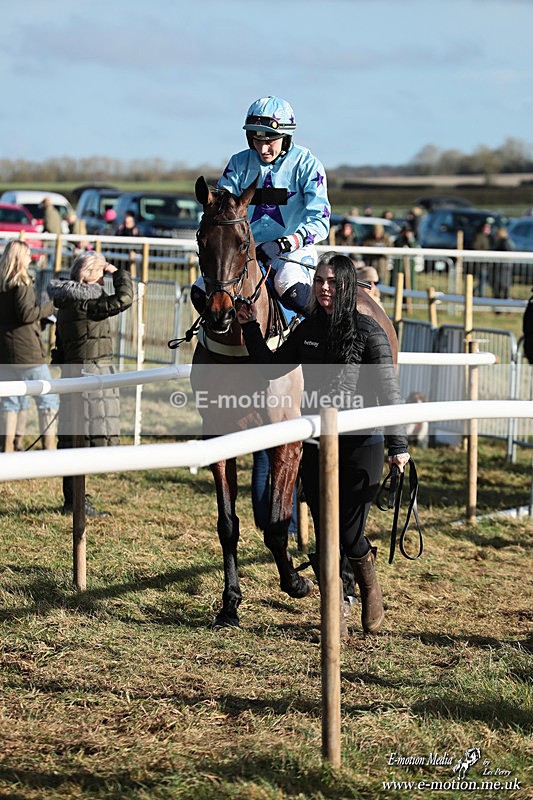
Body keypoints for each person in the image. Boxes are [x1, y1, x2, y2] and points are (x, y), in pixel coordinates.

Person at [236, 253, 409, 635]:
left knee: (349, 534)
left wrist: (398, 447)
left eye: (332, 282)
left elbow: (389, 393)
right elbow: (270, 366)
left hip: (363, 443)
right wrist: (250, 328)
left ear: (347, 286)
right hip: (316, 443)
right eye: (319, 281)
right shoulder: (306, 329)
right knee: (325, 531)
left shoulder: (369, 332)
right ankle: (337, 609)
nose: (324, 288)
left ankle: (368, 586)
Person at [192, 95, 331, 317]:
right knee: (200, 291)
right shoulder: (239, 163)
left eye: (270, 141)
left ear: (285, 137)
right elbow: (221, 211)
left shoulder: (308, 165)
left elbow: (320, 222)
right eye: (257, 140)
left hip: (292, 250)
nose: (263, 149)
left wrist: (284, 243)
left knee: (288, 285)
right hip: (245, 250)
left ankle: (321, 340)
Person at [47, 252, 133, 516]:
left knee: (73, 438)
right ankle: (77, 503)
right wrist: (117, 272)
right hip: (91, 375)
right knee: (84, 440)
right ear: (91, 275)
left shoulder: (65, 302)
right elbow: (125, 298)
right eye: (100, 274)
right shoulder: (87, 302)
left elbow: (60, 346)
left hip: (73, 374)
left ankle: (72, 499)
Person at [0, 240, 59, 452]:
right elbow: (26, 314)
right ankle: (49, 451)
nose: (30, 257)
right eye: (27, 254)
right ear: (19, 258)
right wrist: (51, 307)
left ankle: (9, 450)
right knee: (48, 400)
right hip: (28, 354)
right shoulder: (22, 283)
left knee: (11, 403)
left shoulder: (2, 283)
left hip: (5, 353)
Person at [490, 227, 514, 302]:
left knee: (502, 289)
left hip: (502, 269)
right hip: (502, 269)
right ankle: (501, 307)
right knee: (502, 289)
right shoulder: (505, 241)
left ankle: (503, 306)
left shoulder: (503, 242)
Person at [470, 221, 493, 297]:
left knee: (484, 281)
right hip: (480, 263)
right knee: (482, 280)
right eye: (487, 228)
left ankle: (473, 292)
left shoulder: (488, 238)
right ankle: (481, 296)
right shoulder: (479, 237)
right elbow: (475, 247)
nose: (488, 229)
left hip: (485, 263)